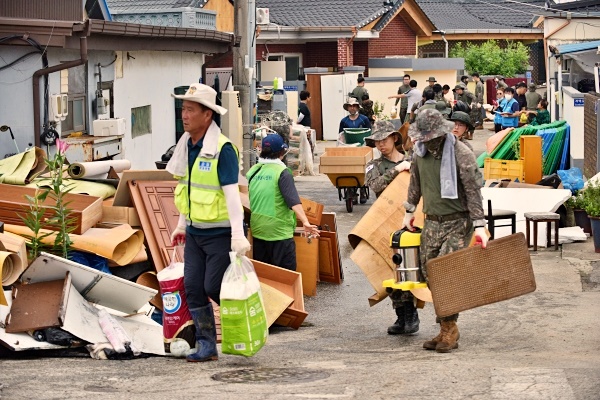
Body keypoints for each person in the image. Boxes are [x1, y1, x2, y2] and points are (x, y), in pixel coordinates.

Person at [168, 83, 251, 362]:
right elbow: (188, 189)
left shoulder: (222, 150)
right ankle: (206, 344)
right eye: (183, 109)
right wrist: (181, 225)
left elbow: (231, 196)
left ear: (207, 115)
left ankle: (242, 324)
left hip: (220, 234)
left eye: (191, 110)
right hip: (194, 233)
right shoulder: (186, 146)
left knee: (213, 287)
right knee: (192, 287)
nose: (185, 115)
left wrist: (238, 236)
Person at [402, 109, 487, 353]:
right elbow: (415, 183)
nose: (426, 140)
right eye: (423, 136)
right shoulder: (419, 153)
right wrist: (409, 213)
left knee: (446, 274)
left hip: (458, 221)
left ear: (441, 133)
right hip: (432, 222)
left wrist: (480, 226)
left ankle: (450, 329)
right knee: (430, 274)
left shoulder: (461, 153)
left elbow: (473, 191)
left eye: (430, 136)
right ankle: (445, 326)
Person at [363, 121, 415, 335]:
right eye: (377, 141)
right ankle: (400, 316)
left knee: (409, 270)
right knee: (390, 270)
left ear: (395, 138)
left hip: (409, 222)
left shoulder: (412, 162)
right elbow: (374, 186)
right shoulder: (374, 166)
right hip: (384, 223)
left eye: (384, 140)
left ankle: (411, 315)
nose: (381, 145)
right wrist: (396, 170)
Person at [246, 134, 319, 271]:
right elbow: (293, 201)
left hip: (258, 229)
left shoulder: (253, 172)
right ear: (282, 152)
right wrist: (305, 222)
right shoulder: (282, 172)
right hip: (278, 231)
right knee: (286, 275)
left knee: (265, 275)